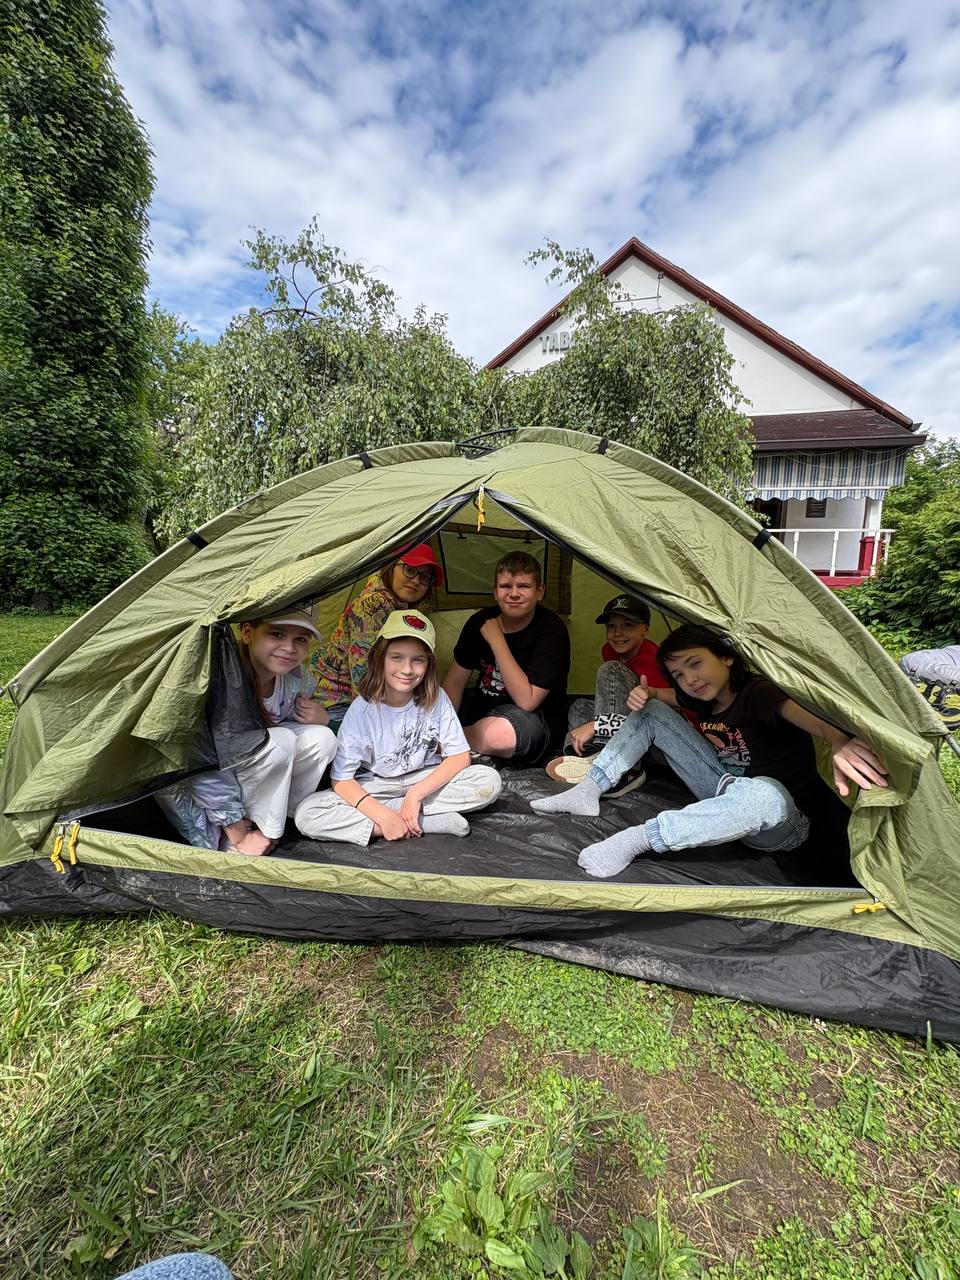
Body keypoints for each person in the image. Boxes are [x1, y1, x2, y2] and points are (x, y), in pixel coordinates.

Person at [531, 623, 888, 880]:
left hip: (781, 818)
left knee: (762, 792)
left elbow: (800, 713)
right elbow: (667, 698)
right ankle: (588, 790)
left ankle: (638, 839)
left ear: (727, 658)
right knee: (652, 713)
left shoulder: (756, 693)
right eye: (679, 674)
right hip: (723, 785)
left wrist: (837, 738)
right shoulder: (701, 696)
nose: (690, 679)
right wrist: (650, 695)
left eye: (695, 663)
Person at [295, 611, 501, 845]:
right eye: (396, 658)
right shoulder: (362, 710)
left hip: (424, 781)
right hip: (377, 785)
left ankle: (410, 811)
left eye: (418, 660)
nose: (407, 669)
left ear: (428, 664)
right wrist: (382, 816)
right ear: (380, 658)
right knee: (307, 814)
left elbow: (460, 757)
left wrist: (415, 795)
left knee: (488, 781)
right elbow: (342, 779)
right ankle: (416, 822)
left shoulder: (437, 699)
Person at [157, 610, 337, 856]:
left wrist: (323, 719)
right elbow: (197, 761)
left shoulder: (296, 680)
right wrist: (238, 832)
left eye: (301, 639)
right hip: (200, 785)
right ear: (248, 634)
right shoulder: (222, 680)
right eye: (276, 634)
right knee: (280, 740)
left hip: (243, 768)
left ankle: (272, 825)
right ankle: (239, 840)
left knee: (322, 737)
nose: (289, 648)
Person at [442, 552, 571, 764]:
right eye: (505, 586)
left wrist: (497, 641)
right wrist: (442, 723)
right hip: (482, 706)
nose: (514, 594)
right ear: (495, 592)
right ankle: (459, 740)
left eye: (523, 586)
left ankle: (449, 744)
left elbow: (527, 701)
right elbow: (455, 682)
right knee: (425, 702)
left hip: (530, 718)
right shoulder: (479, 621)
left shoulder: (551, 631)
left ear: (539, 591)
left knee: (502, 735)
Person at [309, 544, 443, 728]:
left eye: (425, 577)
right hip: (337, 703)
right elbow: (363, 677)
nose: (416, 581)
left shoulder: (400, 606)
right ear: (391, 566)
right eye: (409, 570)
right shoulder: (372, 607)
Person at [547, 592, 671, 786]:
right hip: (623, 724)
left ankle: (610, 759)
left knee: (611, 670)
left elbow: (653, 718)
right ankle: (580, 756)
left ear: (645, 630)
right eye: (611, 626)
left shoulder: (652, 662)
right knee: (580, 706)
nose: (617, 633)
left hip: (651, 739)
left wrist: (596, 726)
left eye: (627, 625)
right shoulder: (609, 649)